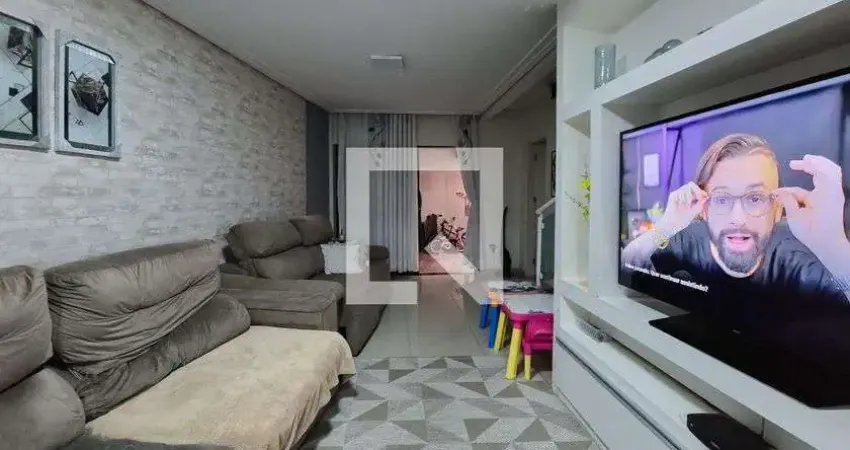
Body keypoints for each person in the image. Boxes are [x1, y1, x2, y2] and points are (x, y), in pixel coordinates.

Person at [622, 134, 850, 317]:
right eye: (722, 199)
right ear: (704, 208)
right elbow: (625, 269)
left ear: (777, 209)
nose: (738, 219)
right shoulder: (683, 240)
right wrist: (666, 225)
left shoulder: (799, 264)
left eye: (755, 198)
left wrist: (832, 244)